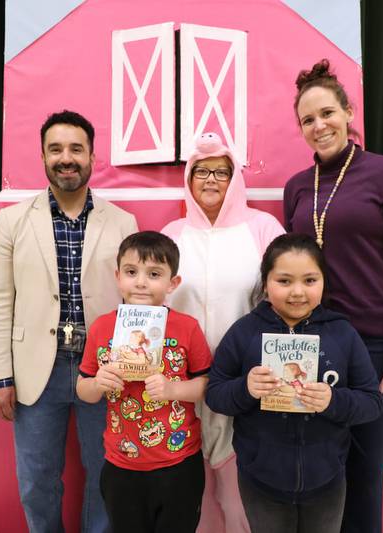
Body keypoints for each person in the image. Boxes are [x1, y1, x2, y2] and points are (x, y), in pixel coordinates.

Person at [283, 59, 383, 533]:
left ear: (348, 113)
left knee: (365, 474)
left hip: (373, 348)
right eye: (308, 120)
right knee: (319, 470)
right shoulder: (295, 188)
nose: (319, 125)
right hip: (313, 344)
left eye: (327, 113)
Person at [0, 110, 138, 533]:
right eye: (55, 149)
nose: (66, 158)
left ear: (91, 156)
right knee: (36, 482)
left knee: (106, 474)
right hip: (35, 371)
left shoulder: (122, 222)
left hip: (102, 369)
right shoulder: (12, 221)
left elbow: (133, 302)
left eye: (75, 149)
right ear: (43, 156)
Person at [205, 233, 383, 533]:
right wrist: (245, 388)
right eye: (284, 281)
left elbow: (372, 403)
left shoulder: (342, 334)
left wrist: (333, 401)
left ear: (324, 281)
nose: (297, 292)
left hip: (327, 480)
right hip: (260, 479)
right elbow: (214, 393)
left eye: (310, 280)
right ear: (265, 283)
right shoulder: (245, 332)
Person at [161, 132, 284, 533]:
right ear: (188, 178)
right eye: (201, 171)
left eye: (221, 172)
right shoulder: (172, 234)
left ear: (235, 180)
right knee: (190, 489)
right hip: (183, 384)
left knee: (238, 488)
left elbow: (283, 298)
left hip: (244, 382)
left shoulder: (263, 228)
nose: (211, 179)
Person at [76, 231, 212, 533]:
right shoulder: (102, 328)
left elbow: (208, 384)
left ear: (172, 283)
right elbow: (83, 389)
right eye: (131, 272)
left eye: (154, 274)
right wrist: (98, 383)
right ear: (118, 276)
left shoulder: (186, 328)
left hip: (179, 463)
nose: (140, 282)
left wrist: (174, 389)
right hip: (121, 465)